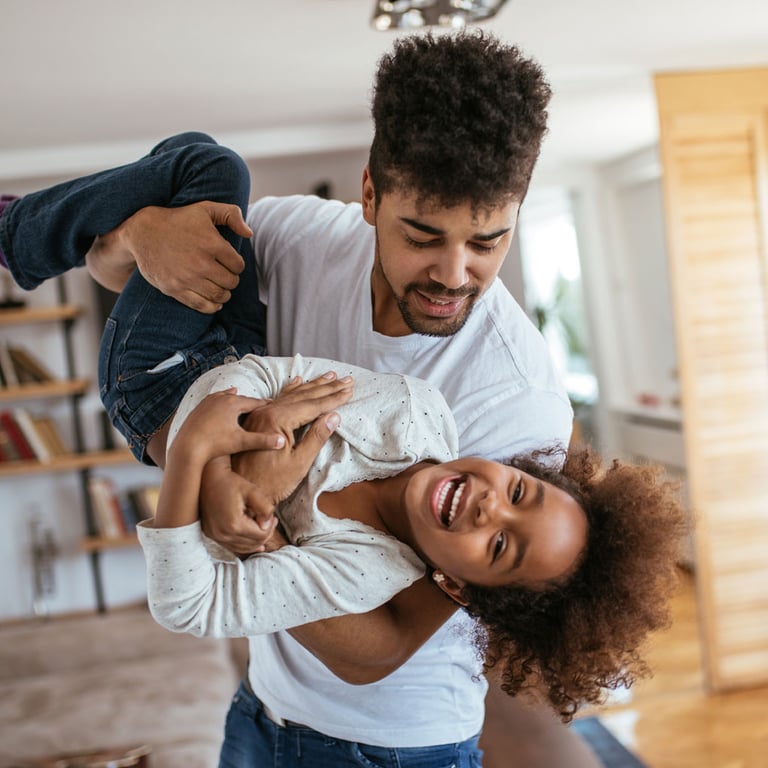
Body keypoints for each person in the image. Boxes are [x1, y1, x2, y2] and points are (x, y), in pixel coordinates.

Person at [0, 28, 640, 768]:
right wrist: (144, 235)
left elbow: (386, 642)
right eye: (423, 235)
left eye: (487, 242)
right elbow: (138, 285)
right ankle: (18, 232)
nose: (454, 274)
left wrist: (250, 516)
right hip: (265, 701)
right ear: (370, 193)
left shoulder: (514, 397)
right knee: (208, 170)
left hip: (395, 746)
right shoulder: (308, 239)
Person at [142, 351, 685, 729]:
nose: (488, 507)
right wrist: (234, 460)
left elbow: (187, 603)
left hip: (146, 396)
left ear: (455, 587)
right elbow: (255, 374)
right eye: (518, 492)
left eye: (499, 547)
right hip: (195, 357)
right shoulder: (413, 406)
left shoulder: (360, 577)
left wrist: (195, 453)